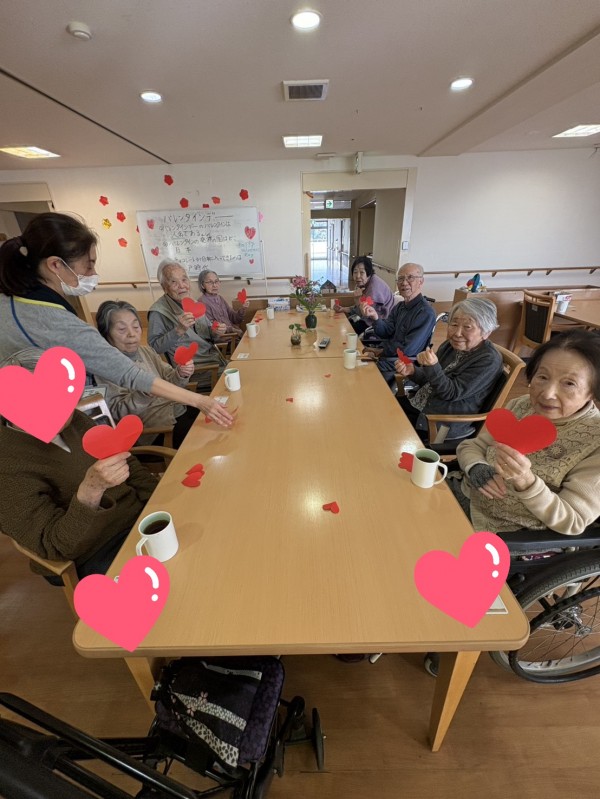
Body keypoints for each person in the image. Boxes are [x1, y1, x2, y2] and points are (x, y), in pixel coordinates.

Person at [0, 213, 233, 428]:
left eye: (135, 326)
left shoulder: (15, 301)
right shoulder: (54, 320)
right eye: (89, 265)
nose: (93, 274)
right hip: (44, 426)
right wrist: (200, 401)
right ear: (56, 265)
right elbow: (129, 374)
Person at [0, 349, 158, 579]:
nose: (62, 414)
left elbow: (127, 463)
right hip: (95, 551)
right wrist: (90, 492)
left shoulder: (76, 420)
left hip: (137, 517)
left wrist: (157, 500)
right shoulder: (7, 463)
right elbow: (55, 546)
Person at [453, 329, 600, 536]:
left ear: (592, 391)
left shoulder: (595, 441)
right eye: (542, 377)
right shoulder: (522, 405)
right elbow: (472, 446)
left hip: (506, 532)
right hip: (465, 497)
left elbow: (573, 521)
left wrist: (526, 482)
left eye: (569, 383)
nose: (547, 394)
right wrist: (477, 467)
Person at [395, 297, 502, 443]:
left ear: (486, 332)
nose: (457, 333)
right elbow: (431, 380)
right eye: (454, 324)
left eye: (467, 327)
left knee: (383, 430)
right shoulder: (449, 346)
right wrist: (413, 371)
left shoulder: (488, 360)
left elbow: (451, 393)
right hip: (419, 405)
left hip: (438, 424)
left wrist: (432, 366)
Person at [96, 300, 199, 448]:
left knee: (218, 418)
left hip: (178, 410)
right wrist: (143, 394)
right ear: (106, 334)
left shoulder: (146, 351)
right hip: (157, 430)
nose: (132, 334)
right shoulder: (104, 366)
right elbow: (117, 412)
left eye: (136, 327)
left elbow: (171, 381)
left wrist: (181, 373)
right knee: (205, 437)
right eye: (122, 329)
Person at [147, 260, 227, 390]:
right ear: (164, 287)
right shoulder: (158, 312)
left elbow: (209, 336)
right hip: (197, 371)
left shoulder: (192, 303)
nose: (182, 286)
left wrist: (216, 331)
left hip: (214, 359)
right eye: (174, 282)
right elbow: (154, 348)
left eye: (184, 280)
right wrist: (178, 330)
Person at [361, 263, 436, 385]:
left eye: (410, 277)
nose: (404, 283)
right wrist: (375, 318)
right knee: (359, 363)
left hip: (403, 362)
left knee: (364, 372)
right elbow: (386, 332)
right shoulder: (400, 306)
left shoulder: (425, 313)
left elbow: (408, 350)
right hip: (390, 355)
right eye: (400, 279)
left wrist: (381, 351)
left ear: (421, 282)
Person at [334, 256, 394, 333]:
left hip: (382, 324)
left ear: (368, 273)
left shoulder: (373, 288)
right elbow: (359, 308)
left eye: (362, 272)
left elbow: (365, 313)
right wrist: (344, 309)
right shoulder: (363, 283)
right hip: (370, 319)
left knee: (348, 330)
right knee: (345, 323)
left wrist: (357, 300)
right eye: (355, 272)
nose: (358, 276)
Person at [197, 268, 250, 336]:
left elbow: (234, 318)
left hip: (234, 335)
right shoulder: (201, 303)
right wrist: (233, 330)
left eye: (216, 281)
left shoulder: (220, 298)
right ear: (202, 285)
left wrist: (243, 309)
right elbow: (212, 328)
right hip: (224, 339)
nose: (214, 285)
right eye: (210, 282)